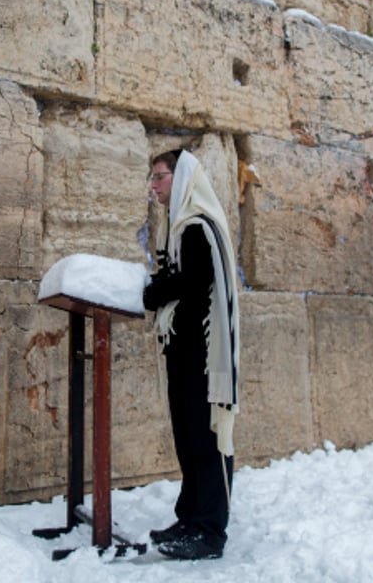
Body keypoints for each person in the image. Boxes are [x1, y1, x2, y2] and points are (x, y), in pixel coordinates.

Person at [143, 149, 240, 560]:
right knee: (187, 437)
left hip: (202, 354)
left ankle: (209, 531)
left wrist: (150, 293)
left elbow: (193, 283)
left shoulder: (198, 227)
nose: (154, 185)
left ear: (180, 178)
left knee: (206, 437)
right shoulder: (178, 227)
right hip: (183, 353)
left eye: (159, 177)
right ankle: (190, 517)